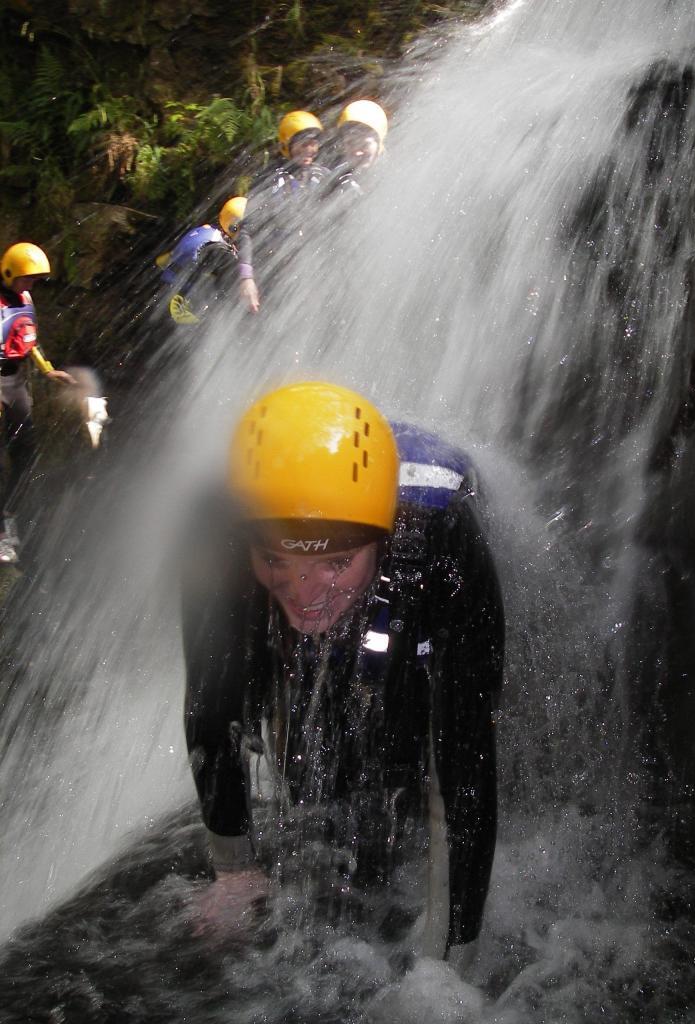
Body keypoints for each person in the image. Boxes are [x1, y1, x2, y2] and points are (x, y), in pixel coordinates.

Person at [182, 381, 505, 962]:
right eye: (277, 560)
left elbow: (463, 758)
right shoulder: (221, 531)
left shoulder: (439, 539)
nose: (305, 593)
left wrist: (457, 958)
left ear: (382, 542)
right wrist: (233, 871)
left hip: (419, 565)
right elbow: (212, 702)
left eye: (335, 561)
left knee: (403, 710)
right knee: (307, 760)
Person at [0, 242, 76, 563]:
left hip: (17, 381)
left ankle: (9, 518)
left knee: (25, 454)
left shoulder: (26, 299)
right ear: (9, 273)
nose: (31, 284)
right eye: (26, 278)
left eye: (35, 279)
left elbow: (27, 339)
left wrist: (48, 370)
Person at [235, 111, 330, 314]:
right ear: (285, 146)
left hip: (315, 274)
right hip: (275, 272)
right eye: (303, 144)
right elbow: (247, 230)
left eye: (313, 143)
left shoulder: (323, 177)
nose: (310, 149)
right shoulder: (270, 180)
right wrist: (246, 277)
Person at [155, 202, 241, 326]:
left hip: (165, 284)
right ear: (234, 227)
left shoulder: (206, 229)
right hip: (178, 306)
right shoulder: (220, 249)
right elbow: (223, 286)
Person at [328, 100, 389, 197]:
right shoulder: (335, 182)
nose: (357, 152)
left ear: (379, 144)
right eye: (350, 143)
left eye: (364, 145)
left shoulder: (394, 176)